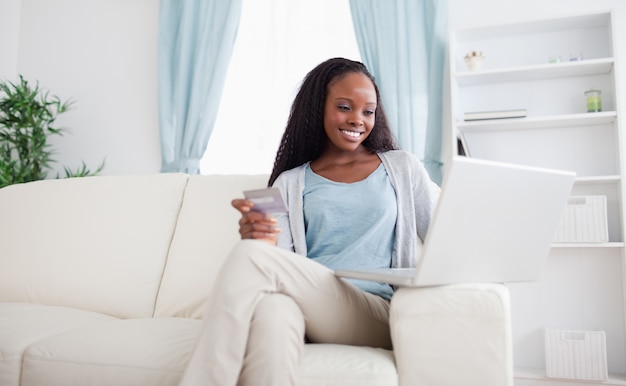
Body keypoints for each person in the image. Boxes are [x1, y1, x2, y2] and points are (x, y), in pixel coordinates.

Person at [179, 57, 439, 386]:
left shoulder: (403, 168)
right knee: (272, 310)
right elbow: (276, 262)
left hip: (373, 311)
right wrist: (260, 238)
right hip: (310, 309)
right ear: (318, 107)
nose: (357, 120)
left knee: (251, 259)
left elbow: (444, 238)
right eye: (344, 107)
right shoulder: (287, 182)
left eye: (367, 111)